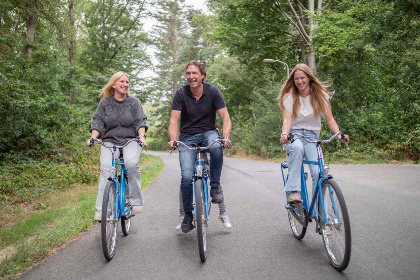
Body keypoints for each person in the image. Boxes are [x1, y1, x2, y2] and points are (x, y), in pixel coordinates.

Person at [168, 61, 232, 233]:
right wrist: (173, 139)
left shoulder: (212, 91)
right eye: (188, 73)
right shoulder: (180, 93)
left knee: (216, 147)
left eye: (194, 73)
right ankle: (188, 215)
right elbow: (174, 120)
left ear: (202, 75)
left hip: (208, 132)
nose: (191, 76)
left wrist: (225, 137)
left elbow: (225, 117)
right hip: (187, 137)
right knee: (186, 176)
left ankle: (215, 187)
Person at [279, 63, 348, 203]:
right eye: (296, 79)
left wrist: (339, 134)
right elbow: (287, 119)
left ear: (309, 78)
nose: (300, 81)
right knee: (297, 147)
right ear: (293, 81)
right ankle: (293, 190)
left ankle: (319, 211)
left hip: (312, 138)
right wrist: (284, 134)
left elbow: (330, 118)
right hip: (294, 135)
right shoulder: (290, 97)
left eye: (302, 78)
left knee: (318, 173)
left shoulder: (320, 96)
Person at [86, 71, 148, 221]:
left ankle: (135, 200)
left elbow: (140, 121)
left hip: (131, 140)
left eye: (127, 82)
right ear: (113, 84)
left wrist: (141, 136)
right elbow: (98, 122)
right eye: (122, 82)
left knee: (131, 163)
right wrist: (93, 137)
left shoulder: (134, 102)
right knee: (106, 169)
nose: (125, 85)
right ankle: (101, 210)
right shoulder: (105, 103)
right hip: (109, 141)